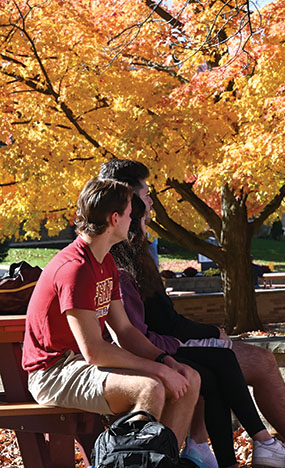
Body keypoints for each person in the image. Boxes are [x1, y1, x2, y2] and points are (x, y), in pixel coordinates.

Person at [99, 159, 285, 468]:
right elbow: (154, 325)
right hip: (147, 352)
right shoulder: (118, 257)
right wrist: (211, 333)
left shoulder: (134, 252)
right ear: (128, 202)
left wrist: (210, 335)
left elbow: (158, 319)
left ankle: (212, 450)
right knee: (254, 360)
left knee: (221, 360)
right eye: (146, 193)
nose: (152, 200)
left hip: (157, 346)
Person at [111, 195, 285, 468]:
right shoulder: (119, 271)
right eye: (139, 216)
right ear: (121, 220)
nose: (146, 221)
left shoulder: (133, 265)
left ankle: (242, 464)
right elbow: (130, 335)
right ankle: (259, 448)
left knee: (218, 364)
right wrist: (173, 351)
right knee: (219, 365)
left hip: (154, 348)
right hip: (139, 357)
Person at [22, 179, 201, 451]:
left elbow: (126, 332)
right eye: (130, 215)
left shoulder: (105, 261)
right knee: (149, 387)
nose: (133, 220)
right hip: (53, 373)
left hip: (82, 364)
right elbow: (94, 350)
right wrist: (158, 369)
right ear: (114, 219)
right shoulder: (75, 269)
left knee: (189, 376)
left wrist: (165, 360)